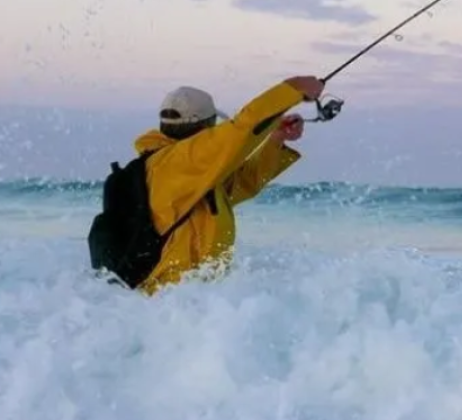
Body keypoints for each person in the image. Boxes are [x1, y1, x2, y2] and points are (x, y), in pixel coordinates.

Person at [88, 75, 325, 296]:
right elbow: (242, 129)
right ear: (204, 128)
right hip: (170, 301)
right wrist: (293, 89)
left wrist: (275, 140)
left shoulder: (185, 173)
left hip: (185, 302)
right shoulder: (180, 162)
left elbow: (242, 183)